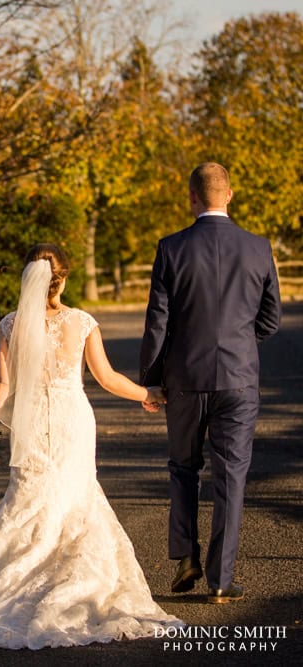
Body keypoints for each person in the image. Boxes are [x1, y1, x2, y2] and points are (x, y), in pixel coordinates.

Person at [0, 244, 182, 649]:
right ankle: (71, 587)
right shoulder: (83, 322)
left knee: (26, 502)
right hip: (72, 417)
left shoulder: (10, 325)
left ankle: (14, 586)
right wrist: (147, 393)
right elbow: (107, 377)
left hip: (32, 419)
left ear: (29, 277)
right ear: (65, 278)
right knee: (74, 499)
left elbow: (3, 385)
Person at [140, 162, 281, 604]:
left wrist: (151, 380)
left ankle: (185, 556)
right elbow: (270, 319)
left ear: (191, 197)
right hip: (239, 380)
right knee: (231, 477)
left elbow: (158, 322)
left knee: (183, 468)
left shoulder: (171, 248)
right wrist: (239, 340)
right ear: (230, 195)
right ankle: (221, 580)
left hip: (184, 378)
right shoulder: (259, 248)